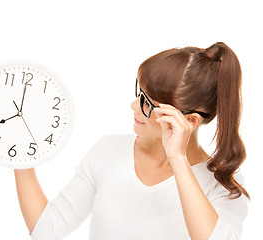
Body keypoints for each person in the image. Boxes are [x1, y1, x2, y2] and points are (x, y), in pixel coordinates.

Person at [14, 42, 250, 240]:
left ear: (189, 120)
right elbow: (48, 230)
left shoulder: (222, 187)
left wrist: (177, 159)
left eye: (148, 103)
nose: (134, 106)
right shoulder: (108, 151)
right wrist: (18, 151)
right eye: (140, 94)